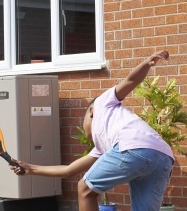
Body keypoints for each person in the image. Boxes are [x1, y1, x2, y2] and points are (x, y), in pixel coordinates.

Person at [11, 50, 174, 211]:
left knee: (85, 189)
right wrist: (31, 169)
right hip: (164, 157)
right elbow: (69, 171)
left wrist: (147, 63)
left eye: (83, 125)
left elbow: (130, 81)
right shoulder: (103, 146)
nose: (86, 133)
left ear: (90, 112)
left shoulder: (102, 103)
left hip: (131, 147)